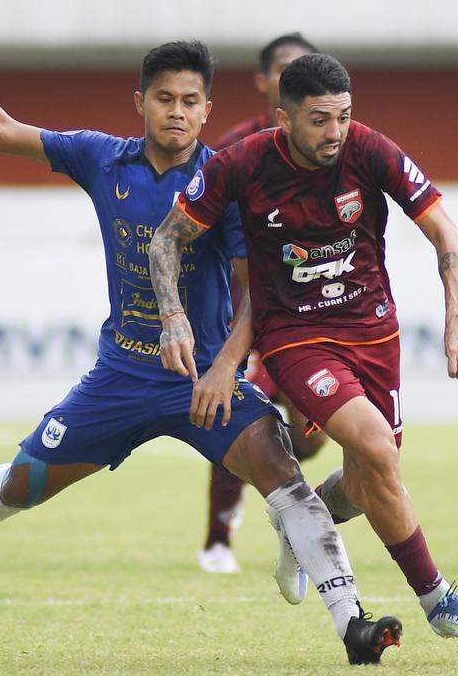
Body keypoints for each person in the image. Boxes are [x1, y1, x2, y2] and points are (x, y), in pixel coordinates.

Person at [0, 8, 402, 665]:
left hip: (207, 382)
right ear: (140, 103)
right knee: (22, 483)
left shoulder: (231, 179)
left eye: (190, 101)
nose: (177, 112)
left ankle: (352, 625)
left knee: (284, 477)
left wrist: (243, 369)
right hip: (122, 377)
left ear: (208, 109)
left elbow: (263, 290)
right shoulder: (102, 158)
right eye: (164, 98)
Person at [150, 53, 458, 644]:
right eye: (319, 120)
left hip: (375, 332)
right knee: (374, 450)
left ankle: (300, 524)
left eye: (342, 117)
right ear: (283, 117)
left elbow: (446, 229)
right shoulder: (242, 163)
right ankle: (438, 600)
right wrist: (173, 319)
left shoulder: (369, 150)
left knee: (369, 481)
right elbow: (166, 239)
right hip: (294, 335)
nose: (335, 133)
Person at [199, 32, 326, 575]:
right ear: (263, 82)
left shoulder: (330, 147)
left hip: (308, 310)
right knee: (235, 412)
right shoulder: (235, 149)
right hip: (245, 311)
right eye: (283, 70)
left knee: (312, 434)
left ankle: (280, 496)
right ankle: (218, 539)